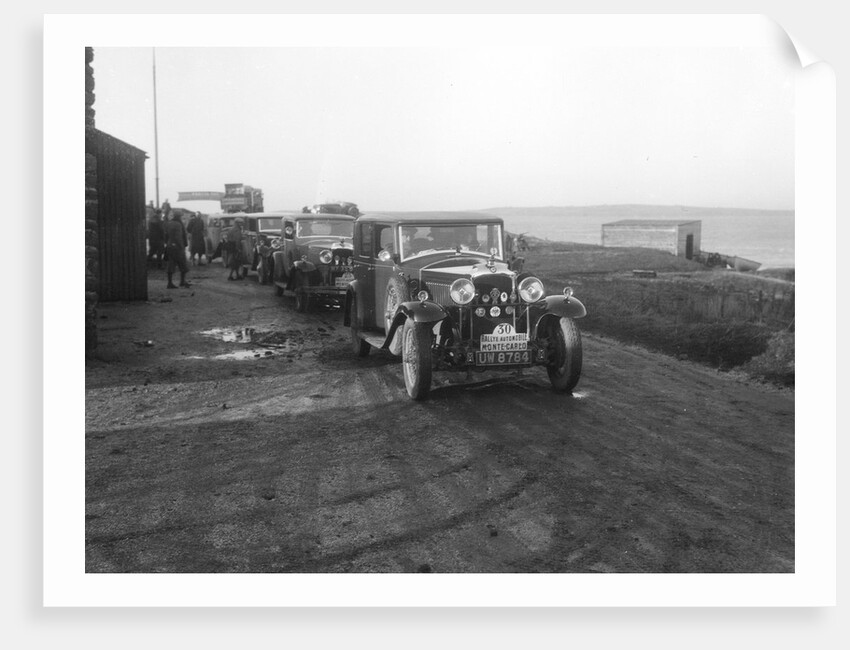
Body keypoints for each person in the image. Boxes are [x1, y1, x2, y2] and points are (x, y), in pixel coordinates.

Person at [164, 210, 190, 289]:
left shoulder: (168, 223)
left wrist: (168, 243)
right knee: (183, 264)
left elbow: (165, 235)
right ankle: (182, 281)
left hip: (170, 245)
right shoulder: (178, 224)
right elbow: (178, 237)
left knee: (170, 264)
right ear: (179, 216)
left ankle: (170, 282)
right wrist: (181, 245)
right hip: (178, 247)